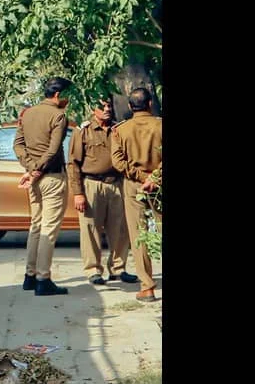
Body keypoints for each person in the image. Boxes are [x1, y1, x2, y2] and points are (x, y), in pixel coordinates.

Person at [67, 96, 137, 286]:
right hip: (92, 184)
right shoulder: (83, 131)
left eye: (108, 105)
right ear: (92, 110)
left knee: (121, 229)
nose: (107, 109)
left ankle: (118, 268)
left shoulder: (118, 130)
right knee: (91, 228)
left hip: (116, 184)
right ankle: (93, 270)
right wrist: (78, 193)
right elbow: (73, 164)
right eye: (102, 106)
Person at [13, 77, 72, 296]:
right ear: (57, 95)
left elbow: (17, 145)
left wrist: (30, 169)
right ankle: (43, 279)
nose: (69, 100)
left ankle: (30, 275)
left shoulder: (28, 113)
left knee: (36, 226)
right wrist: (37, 170)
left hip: (35, 179)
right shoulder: (58, 115)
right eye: (67, 95)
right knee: (48, 229)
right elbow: (53, 150)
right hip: (51, 177)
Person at [111, 87, 163, 302]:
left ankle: (147, 286)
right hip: (159, 184)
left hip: (134, 186)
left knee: (138, 234)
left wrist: (141, 177)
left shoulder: (120, 131)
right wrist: (154, 177)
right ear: (150, 103)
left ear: (131, 107)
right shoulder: (160, 125)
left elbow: (117, 162)